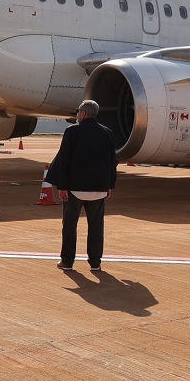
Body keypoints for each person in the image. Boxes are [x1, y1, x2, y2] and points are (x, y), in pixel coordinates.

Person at [46, 99, 120, 271]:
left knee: (70, 226)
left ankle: (67, 261)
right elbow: (112, 162)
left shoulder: (72, 131)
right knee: (96, 226)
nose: (77, 114)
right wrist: (110, 185)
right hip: (99, 189)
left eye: (78, 111)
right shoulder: (107, 132)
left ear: (84, 114)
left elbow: (63, 160)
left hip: (75, 189)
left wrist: (62, 186)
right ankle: (95, 262)